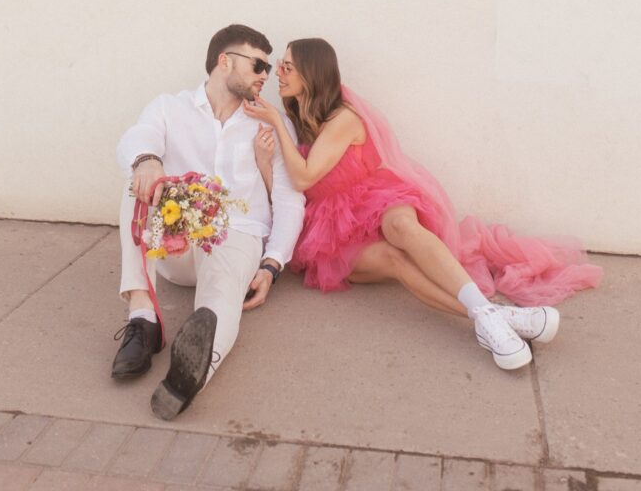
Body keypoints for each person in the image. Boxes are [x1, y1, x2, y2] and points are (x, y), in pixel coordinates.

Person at [244, 38, 603, 371]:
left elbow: (304, 176)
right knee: (395, 261)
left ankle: (485, 314)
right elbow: (295, 191)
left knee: (401, 227)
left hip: (372, 198)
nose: (280, 73)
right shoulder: (299, 119)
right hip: (331, 224)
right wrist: (264, 160)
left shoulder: (343, 118)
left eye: (288, 66)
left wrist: (274, 119)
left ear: (312, 72)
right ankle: (492, 317)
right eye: (280, 65)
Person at [112, 24, 305, 418]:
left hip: (236, 234)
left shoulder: (269, 123)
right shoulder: (170, 107)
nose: (265, 75)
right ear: (224, 60)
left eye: (268, 68)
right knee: (137, 185)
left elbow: (289, 197)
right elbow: (139, 134)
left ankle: (189, 376)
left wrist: (273, 264)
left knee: (221, 296)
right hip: (175, 244)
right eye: (257, 64)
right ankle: (142, 318)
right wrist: (147, 160)